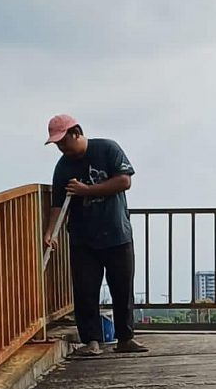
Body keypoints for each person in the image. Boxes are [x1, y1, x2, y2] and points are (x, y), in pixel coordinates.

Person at [43, 114, 148, 356]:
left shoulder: (107, 149)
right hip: (83, 237)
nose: (61, 148)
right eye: (57, 144)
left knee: (122, 288)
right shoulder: (63, 167)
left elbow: (124, 181)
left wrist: (87, 190)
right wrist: (50, 232)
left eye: (63, 142)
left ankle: (125, 338)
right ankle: (91, 341)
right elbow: (57, 204)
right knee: (85, 290)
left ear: (76, 133)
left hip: (116, 233)